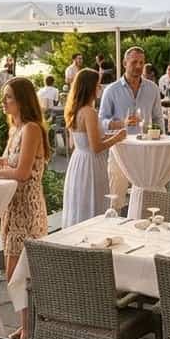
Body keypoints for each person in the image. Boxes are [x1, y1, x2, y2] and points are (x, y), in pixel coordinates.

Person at [0, 77, 50, 338]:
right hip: (12, 208)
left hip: (27, 210)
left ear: (22, 100)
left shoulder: (31, 129)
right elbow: (11, 159)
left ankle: (32, 331)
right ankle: (27, 327)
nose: (3, 101)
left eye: (8, 97)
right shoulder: (15, 129)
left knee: (19, 274)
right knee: (18, 275)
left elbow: (22, 171)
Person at [99, 46, 163, 212]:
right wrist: (120, 123)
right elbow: (101, 121)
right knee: (116, 197)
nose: (138, 66)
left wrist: (159, 140)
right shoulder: (111, 90)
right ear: (124, 63)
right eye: (134, 62)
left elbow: (158, 118)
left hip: (145, 150)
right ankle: (114, 231)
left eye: (141, 62)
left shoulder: (153, 88)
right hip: (120, 149)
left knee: (146, 196)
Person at [61, 68, 126, 226]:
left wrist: (110, 136)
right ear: (90, 87)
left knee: (79, 205)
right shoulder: (89, 112)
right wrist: (117, 138)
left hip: (78, 161)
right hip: (91, 164)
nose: (100, 88)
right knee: (93, 202)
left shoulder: (74, 111)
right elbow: (96, 147)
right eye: (98, 85)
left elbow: (80, 141)